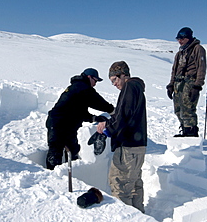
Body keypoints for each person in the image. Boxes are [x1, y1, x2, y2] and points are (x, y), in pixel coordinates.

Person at [97, 61, 147, 213]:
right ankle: (140, 217)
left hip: (128, 148)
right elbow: (124, 114)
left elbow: (123, 115)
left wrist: (108, 130)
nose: (114, 84)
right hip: (137, 147)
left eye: (114, 80)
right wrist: (109, 123)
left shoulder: (130, 87)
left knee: (120, 185)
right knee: (134, 184)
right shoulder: (137, 88)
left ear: (123, 75)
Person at [46, 68, 115, 170]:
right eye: (95, 80)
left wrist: (94, 118)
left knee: (73, 150)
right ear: (89, 77)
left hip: (68, 125)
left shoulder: (79, 89)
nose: (95, 84)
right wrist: (112, 110)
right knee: (55, 153)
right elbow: (96, 101)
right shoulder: (82, 88)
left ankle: (71, 176)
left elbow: (78, 111)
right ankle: (52, 179)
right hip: (57, 124)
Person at [166, 27, 207, 137]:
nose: (180, 41)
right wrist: (171, 84)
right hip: (178, 84)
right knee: (178, 109)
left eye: (182, 39)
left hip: (190, 82)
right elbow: (174, 70)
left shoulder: (198, 49)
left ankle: (191, 132)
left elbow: (201, 68)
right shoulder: (179, 53)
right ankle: (185, 130)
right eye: (178, 39)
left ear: (188, 38)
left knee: (187, 109)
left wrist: (197, 86)